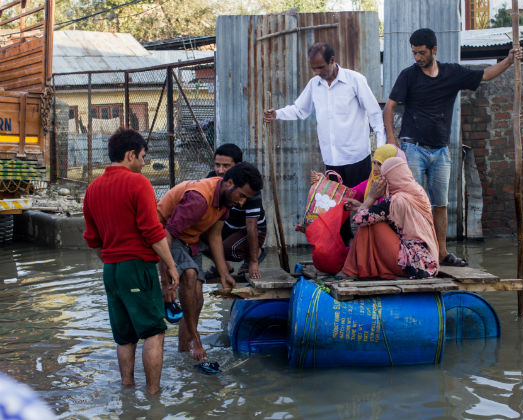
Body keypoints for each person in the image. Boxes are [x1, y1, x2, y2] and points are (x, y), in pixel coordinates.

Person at [383, 28, 523, 267]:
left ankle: (441, 253)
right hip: (413, 148)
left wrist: (510, 60)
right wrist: (392, 140)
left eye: (422, 53)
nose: (417, 57)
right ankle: (412, 254)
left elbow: (486, 74)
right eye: (414, 53)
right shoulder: (408, 76)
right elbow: (390, 107)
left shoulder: (452, 73)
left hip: (441, 151)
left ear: (434, 50)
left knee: (440, 204)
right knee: (412, 204)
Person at [83, 128, 179, 394]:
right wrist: (170, 265)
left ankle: (127, 390)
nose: (144, 163)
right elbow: (152, 231)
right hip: (137, 267)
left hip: (111, 271)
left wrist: (113, 261)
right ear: (130, 155)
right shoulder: (139, 183)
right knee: (153, 331)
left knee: (124, 336)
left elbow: (92, 239)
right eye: (143, 157)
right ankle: (153, 395)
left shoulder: (92, 189)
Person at [157, 162, 263, 361]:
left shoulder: (225, 201)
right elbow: (166, 235)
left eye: (245, 199)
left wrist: (224, 273)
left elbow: (214, 236)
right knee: (189, 274)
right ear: (229, 183)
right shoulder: (199, 199)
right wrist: (165, 282)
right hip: (164, 235)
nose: (241, 203)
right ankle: (195, 340)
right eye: (241, 196)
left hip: (191, 239)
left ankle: (183, 350)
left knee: (197, 298)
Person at [263, 41, 385, 197]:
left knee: (362, 206)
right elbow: (300, 110)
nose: (316, 72)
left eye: (320, 67)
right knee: (336, 210)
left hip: (357, 158)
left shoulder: (355, 80)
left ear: (332, 60)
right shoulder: (314, 84)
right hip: (331, 159)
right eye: (313, 68)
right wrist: (277, 114)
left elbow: (374, 114)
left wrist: (380, 152)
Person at [343, 157, 439, 280]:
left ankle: (351, 270)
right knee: (371, 220)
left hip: (413, 266)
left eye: (385, 178)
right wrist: (361, 206)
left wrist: (370, 198)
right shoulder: (417, 191)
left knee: (368, 225)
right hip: (428, 262)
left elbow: (359, 220)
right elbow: (381, 214)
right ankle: (354, 269)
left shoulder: (396, 200)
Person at [205, 143, 267, 280]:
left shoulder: (248, 184)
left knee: (227, 249)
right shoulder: (211, 178)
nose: (220, 170)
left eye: (226, 166)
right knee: (197, 240)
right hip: (227, 225)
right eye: (217, 165)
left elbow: (252, 227)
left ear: (238, 166)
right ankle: (223, 265)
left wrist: (253, 262)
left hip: (250, 229)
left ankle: (257, 252)